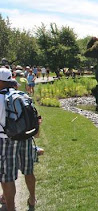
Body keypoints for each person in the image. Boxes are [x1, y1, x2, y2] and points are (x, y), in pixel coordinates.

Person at [0, 68, 39, 210]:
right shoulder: (22, 95)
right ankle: (32, 199)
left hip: (6, 140)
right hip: (25, 137)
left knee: (7, 176)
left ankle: (11, 208)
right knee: (28, 170)